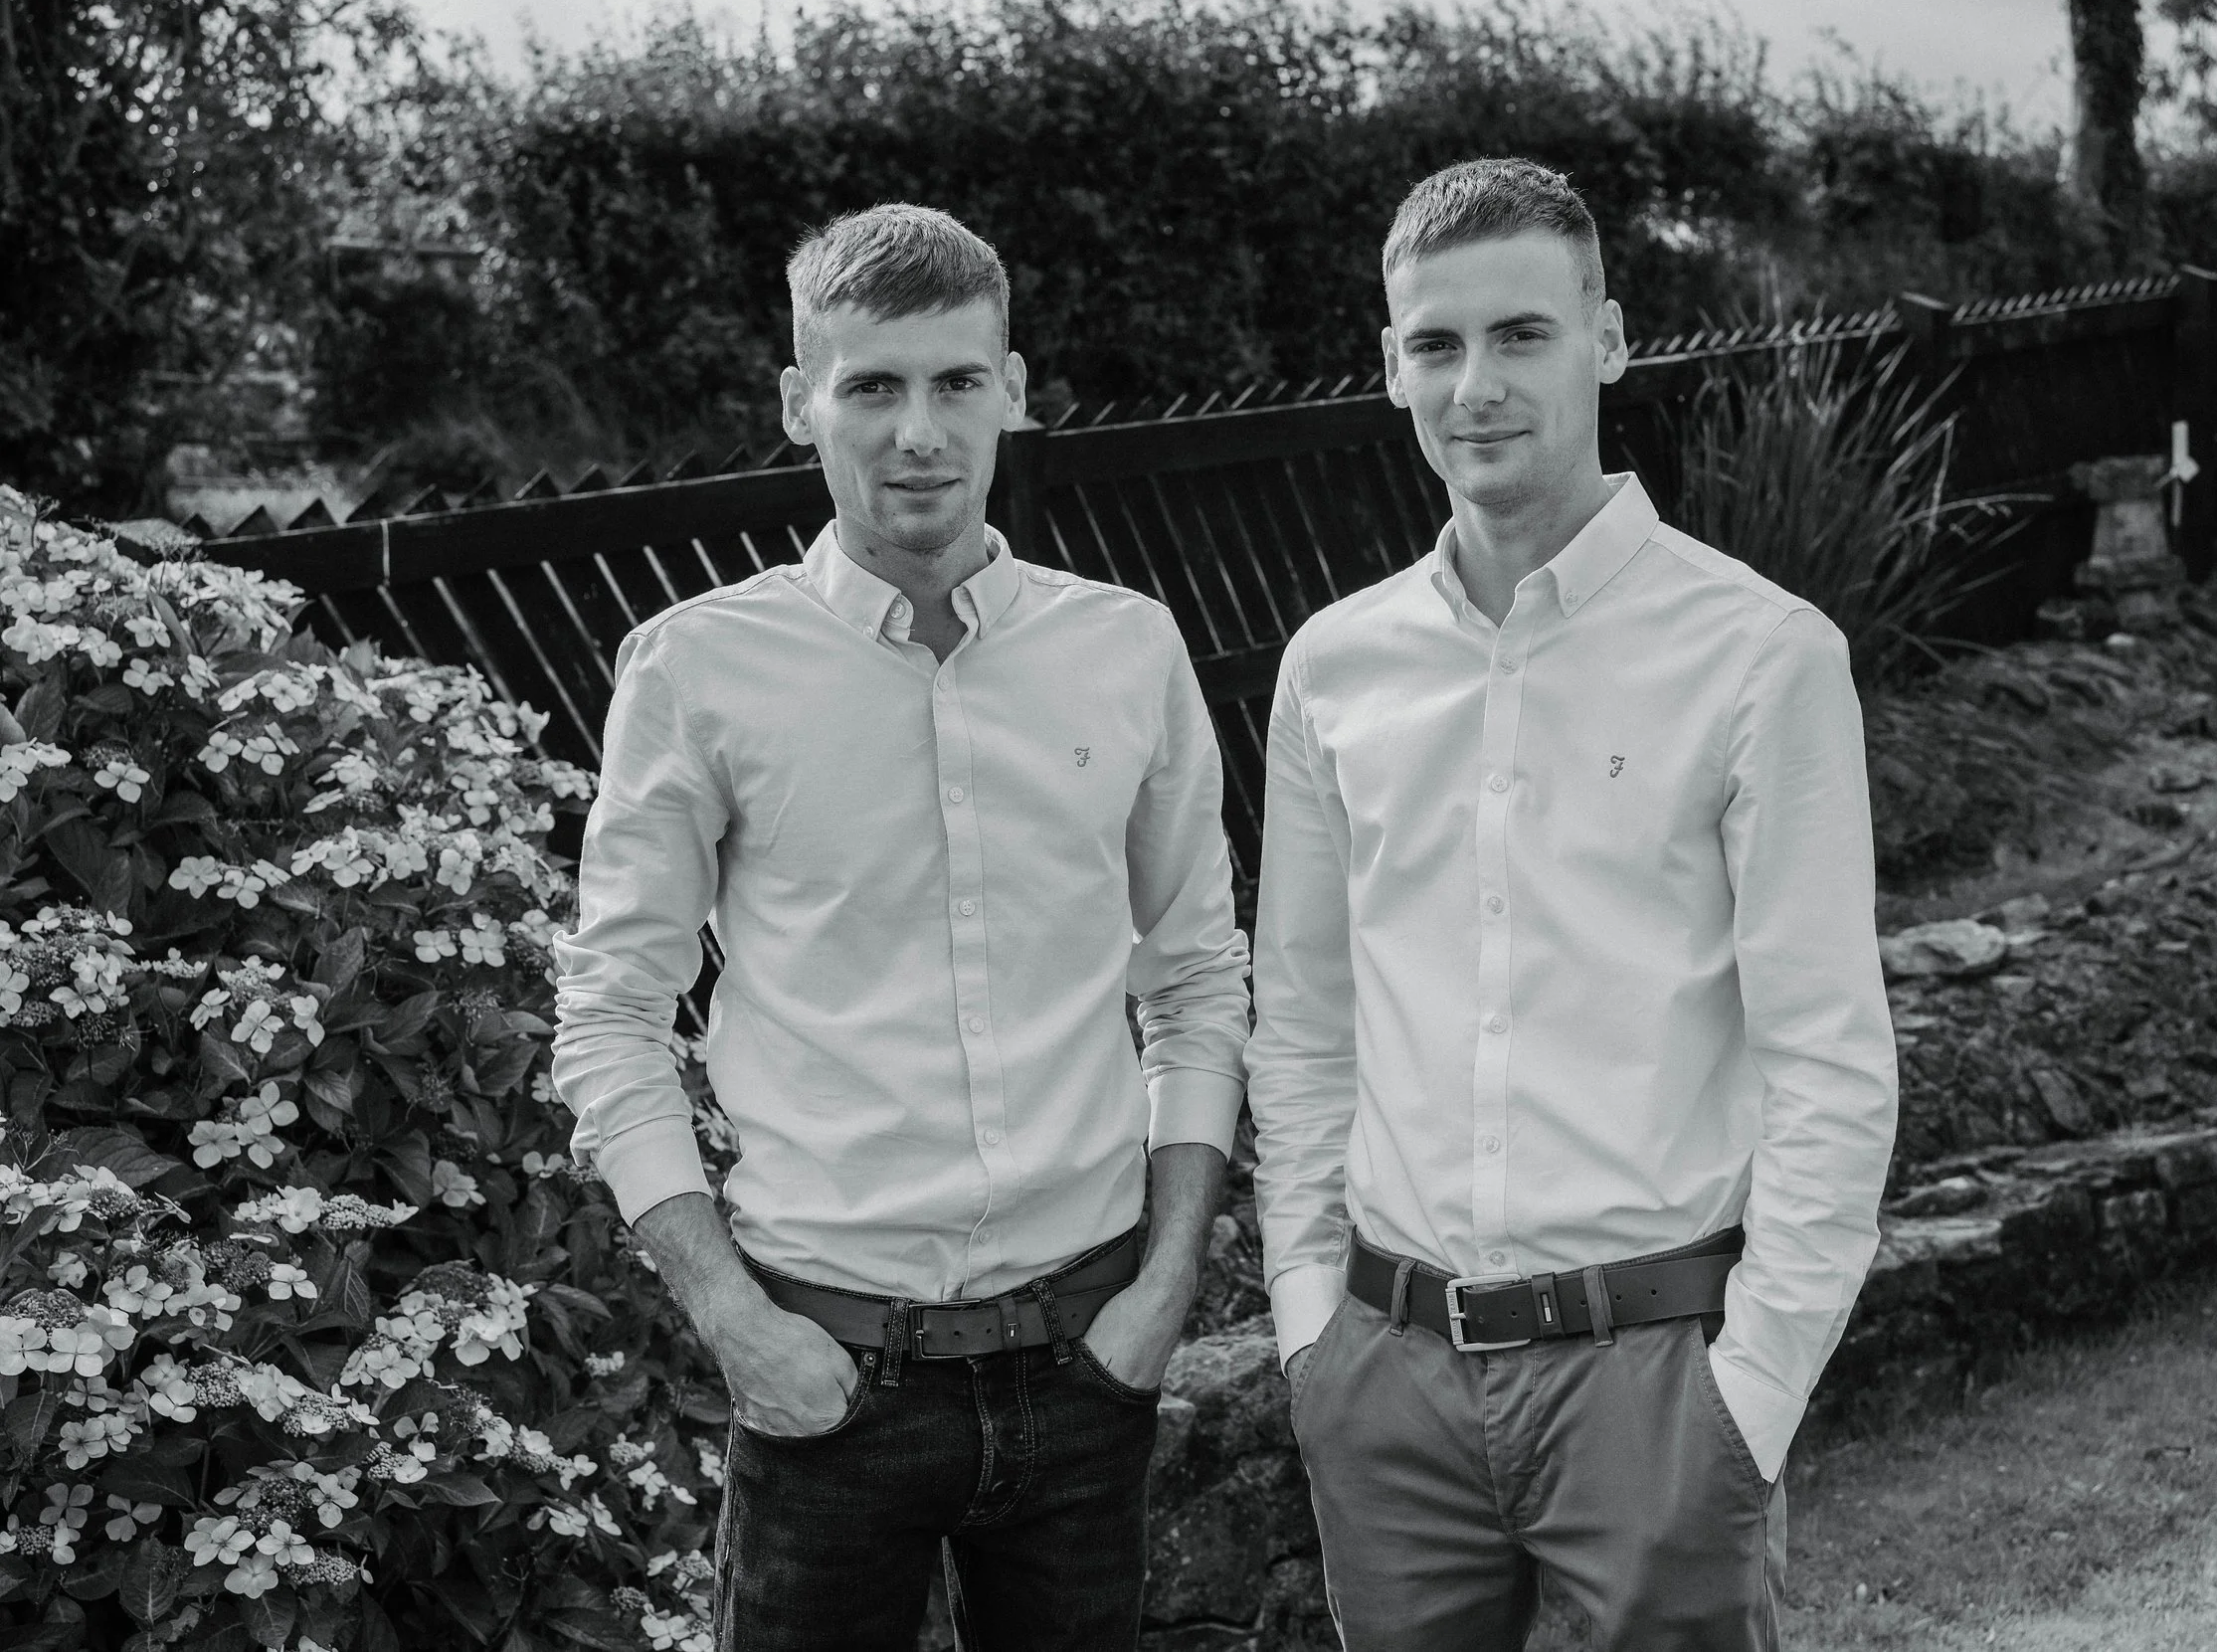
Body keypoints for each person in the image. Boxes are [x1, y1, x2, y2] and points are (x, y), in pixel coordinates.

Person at [553, 203, 1251, 1652]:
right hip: (827, 1379)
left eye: (955, 382)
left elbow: (1192, 982)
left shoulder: (1125, 649)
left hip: (1085, 1362)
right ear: (799, 400)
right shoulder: (697, 671)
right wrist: (736, 1323)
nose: (917, 431)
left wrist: (1167, 1285)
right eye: (871, 385)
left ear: (1012, 389)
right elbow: (613, 1014)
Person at [1246, 158, 1899, 1650]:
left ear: (1606, 340)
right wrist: (1306, 1324)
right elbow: (1301, 1021)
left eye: (1523, 335)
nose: (1476, 384)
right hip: (1388, 1375)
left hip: (1658, 1377)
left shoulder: (1760, 655)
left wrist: (1755, 1390)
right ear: (1394, 366)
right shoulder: (1333, 669)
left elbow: (1828, 1054)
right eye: (1436, 344)